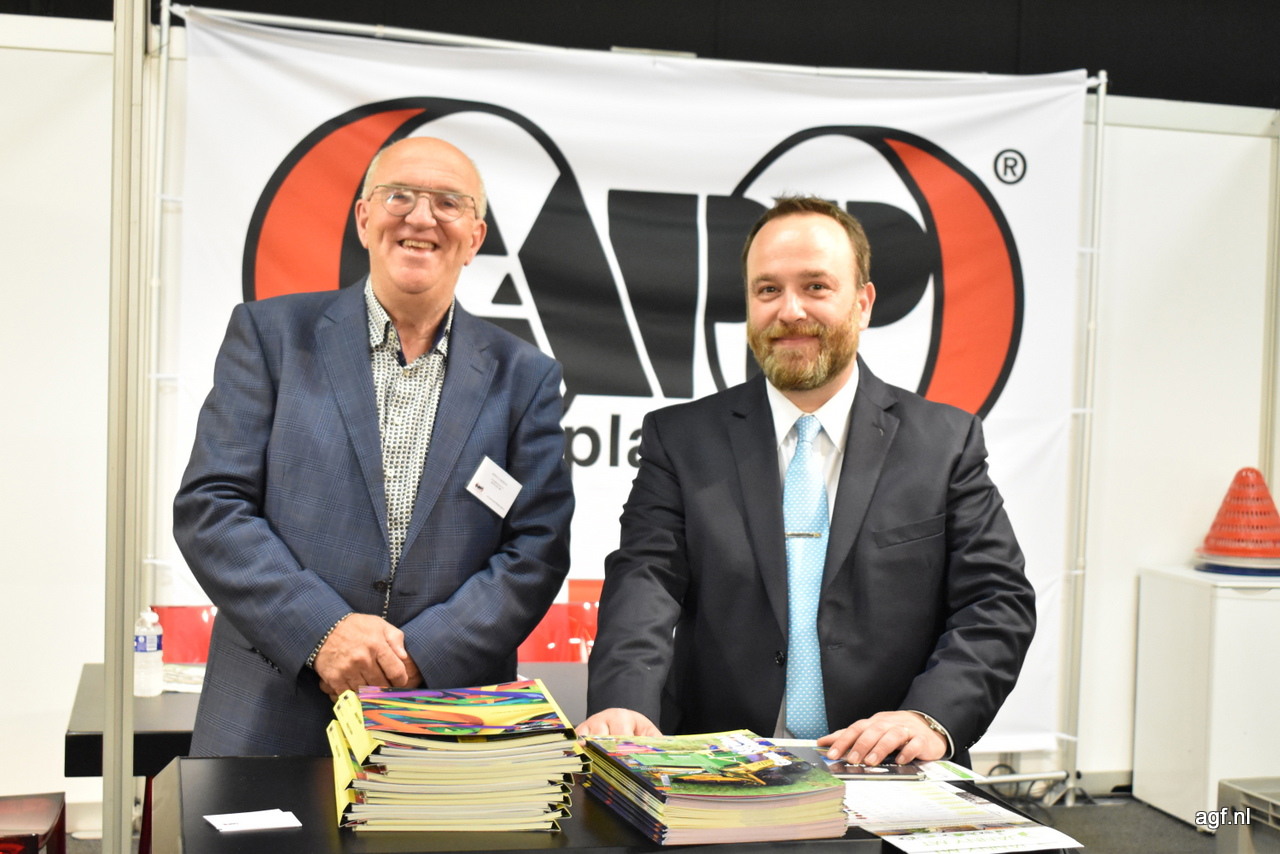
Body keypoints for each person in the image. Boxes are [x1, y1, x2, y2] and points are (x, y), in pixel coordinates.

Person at [580, 196, 1034, 768]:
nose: (790, 311)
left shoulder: (945, 443)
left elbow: (996, 602)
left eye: (816, 286)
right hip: (719, 769)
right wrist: (625, 701)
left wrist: (929, 718)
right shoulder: (681, 439)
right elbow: (645, 579)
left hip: (890, 766)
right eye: (768, 290)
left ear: (863, 304)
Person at [173, 137, 574, 756]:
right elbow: (213, 507)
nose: (421, 217)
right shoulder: (271, 337)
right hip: (272, 706)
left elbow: (537, 548)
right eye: (399, 196)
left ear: (474, 237)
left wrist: (421, 653)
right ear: (364, 219)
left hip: (445, 713)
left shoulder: (525, 378)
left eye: (448, 202)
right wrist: (324, 631)